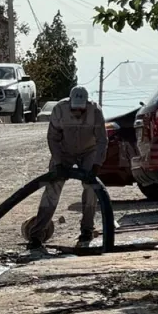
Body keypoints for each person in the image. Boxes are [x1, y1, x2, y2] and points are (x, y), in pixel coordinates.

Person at [27, 85, 108, 249]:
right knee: (52, 188)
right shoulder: (59, 109)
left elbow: (102, 140)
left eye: (81, 110)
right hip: (64, 151)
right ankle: (36, 234)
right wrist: (58, 163)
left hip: (88, 151)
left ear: (86, 105)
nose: (78, 112)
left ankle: (87, 230)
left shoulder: (95, 111)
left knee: (92, 188)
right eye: (75, 109)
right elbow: (53, 138)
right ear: (70, 103)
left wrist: (96, 164)